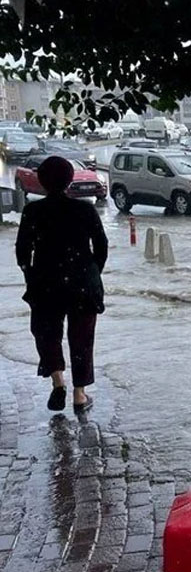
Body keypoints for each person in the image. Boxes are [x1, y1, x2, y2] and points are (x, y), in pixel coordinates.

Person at [14, 156, 108, 413]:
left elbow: (23, 250)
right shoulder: (84, 210)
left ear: (42, 181)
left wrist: (30, 275)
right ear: (69, 180)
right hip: (82, 284)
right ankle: (79, 394)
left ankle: (58, 381)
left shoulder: (33, 211)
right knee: (82, 338)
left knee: (47, 334)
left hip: (46, 283)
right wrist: (93, 272)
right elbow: (101, 246)